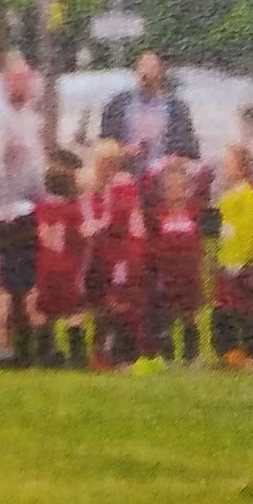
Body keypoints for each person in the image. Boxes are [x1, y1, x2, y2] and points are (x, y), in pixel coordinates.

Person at [0, 55, 46, 369]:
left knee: (28, 283)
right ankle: (4, 349)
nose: (26, 85)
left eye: (28, 79)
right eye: (19, 79)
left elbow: (35, 163)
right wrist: (4, 204)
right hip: (5, 213)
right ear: (6, 81)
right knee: (6, 284)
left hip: (29, 208)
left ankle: (25, 346)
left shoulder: (29, 115)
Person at [82, 139, 154, 371]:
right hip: (109, 253)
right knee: (105, 302)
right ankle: (102, 353)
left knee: (121, 302)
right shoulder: (102, 189)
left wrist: (93, 226)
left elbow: (116, 219)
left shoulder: (122, 185)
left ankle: (123, 356)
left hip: (125, 254)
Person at [28, 150, 91, 368]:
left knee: (45, 310)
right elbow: (83, 233)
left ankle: (45, 354)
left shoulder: (42, 209)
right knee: (74, 310)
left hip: (46, 267)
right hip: (69, 268)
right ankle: (78, 355)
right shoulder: (73, 211)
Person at [210, 144, 253, 371]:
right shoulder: (229, 195)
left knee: (246, 311)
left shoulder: (246, 194)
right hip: (227, 262)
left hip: (241, 265)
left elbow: (246, 228)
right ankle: (230, 352)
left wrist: (240, 261)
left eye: (229, 164)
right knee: (224, 308)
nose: (224, 168)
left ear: (242, 168)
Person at [99, 50, 199, 176]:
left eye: (151, 67)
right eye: (142, 66)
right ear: (136, 70)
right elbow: (105, 144)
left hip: (163, 176)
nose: (145, 72)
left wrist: (173, 159)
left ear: (162, 72)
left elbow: (187, 148)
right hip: (125, 174)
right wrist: (124, 151)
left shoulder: (176, 108)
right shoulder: (118, 104)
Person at [149, 157, 207, 364]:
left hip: (189, 273)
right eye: (170, 187)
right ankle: (167, 353)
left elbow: (206, 176)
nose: (175, 191)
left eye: (179, 186)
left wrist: (184, 162)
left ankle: (191, 355)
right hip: (167, 273)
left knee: (190, 314)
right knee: (166, 314)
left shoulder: (193, 211)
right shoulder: (158, 214)